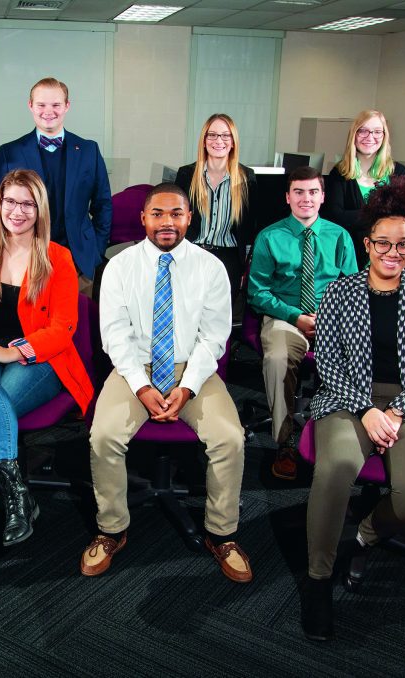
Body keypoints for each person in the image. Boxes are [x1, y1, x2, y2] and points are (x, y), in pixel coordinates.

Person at [300, 176, 405, 641]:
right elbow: (325, 359)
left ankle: (363, 535)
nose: (393, 253)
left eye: (403, 245)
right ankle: (318, 580)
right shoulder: (339, 292)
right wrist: (366, 408)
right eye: (383, 243)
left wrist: (399, 410)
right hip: (348, 397)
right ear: (366, 243)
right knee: (337, 468)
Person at [82, 183, 251, 583]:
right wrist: (141, 386)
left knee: (230, 438)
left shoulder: (210, 268)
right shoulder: (120, 267)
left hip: (191, 369)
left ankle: (221, 534)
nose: (167, 222)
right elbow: (114, 335)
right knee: (103, 435)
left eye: (176, 213)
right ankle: (112, 529)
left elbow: (214, 337)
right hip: (133, 368)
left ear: (189, 218)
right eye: (157, 213)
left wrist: (188, 386)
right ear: (143, 218)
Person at [0, 169, 92, 575]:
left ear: (39, 208)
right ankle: (16, 494)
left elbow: (62, 329)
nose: (17, 211)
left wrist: (9, 352)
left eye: (27, 203)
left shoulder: (57, 258)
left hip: (37, 360)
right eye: (9, 202)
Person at [247, 167, 357, 481]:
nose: (305, 199)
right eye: (298, 192)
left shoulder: (340, 237)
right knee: (278, 358)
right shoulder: (270, 237)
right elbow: (258, 293)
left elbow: (351, 288)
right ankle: (285, 443)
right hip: (286, 317)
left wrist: (329, 318)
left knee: (360, 355)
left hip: (331, 318)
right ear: (287, 197)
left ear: (322, 197)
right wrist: (296, 317)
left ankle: (338, 437)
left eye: (312, 192)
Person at [0, 77, 113, 295]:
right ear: (30, 106)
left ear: (67, 106)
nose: (49, 111)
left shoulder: (88, 150)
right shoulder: (11, 152)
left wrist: (95, 249)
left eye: (56, 105)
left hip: (78, 262)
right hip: (26, 259)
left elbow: (103, 206)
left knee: (76, 325)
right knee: (30, 327)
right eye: (41, 105)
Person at [174, 113, 259, 303]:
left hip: (228, 258)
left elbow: (250, 227)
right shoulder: (187, 174)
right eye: (212, 135)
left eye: (225, 135)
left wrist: (246, 267)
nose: (218, 140)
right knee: (187, 311)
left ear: (233, 141)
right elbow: (176, 219)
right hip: (192, 252)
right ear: (204, 141)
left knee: (217, 319)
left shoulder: (247, 177)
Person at [322, 110, 405, 268]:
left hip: (390, 261)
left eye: (377, 131)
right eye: (363, 130)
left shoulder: (398, 173)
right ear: (354, 135)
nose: (370, 137)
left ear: (384, 136)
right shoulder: (339, 173)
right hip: (350, 262)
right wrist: (381, 214)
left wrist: (360, 217)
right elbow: (335, 217)